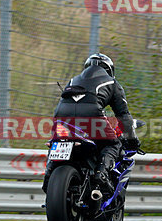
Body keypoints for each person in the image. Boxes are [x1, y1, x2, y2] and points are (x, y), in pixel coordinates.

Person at [41, 53, 139, 193]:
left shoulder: (73, 80)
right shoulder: (111, 83)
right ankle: (102, 174)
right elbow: (123, 115)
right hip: (91, 116)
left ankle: (49, 175)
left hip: (61, 115)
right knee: (113, 143)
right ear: (109, 70)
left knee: (58, 140)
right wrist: (132, 138)